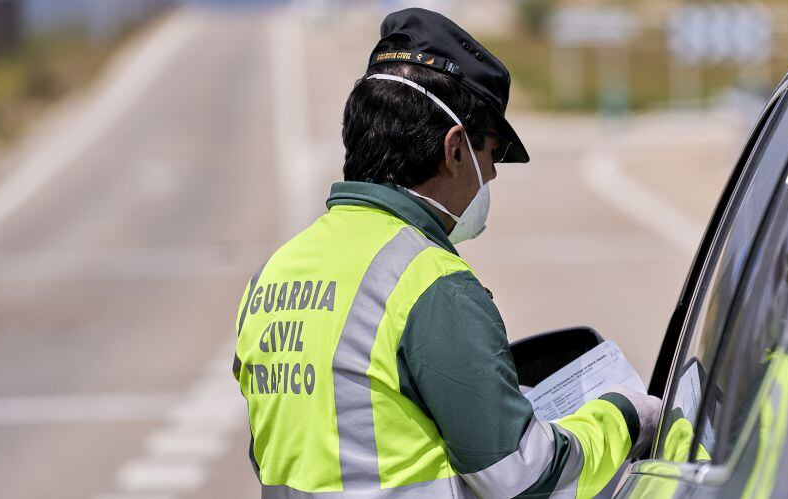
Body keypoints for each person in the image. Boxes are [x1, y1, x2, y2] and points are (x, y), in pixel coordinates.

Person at [232, 8, 662, 498]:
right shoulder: (431, 283)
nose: (493, 175)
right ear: (456, 148)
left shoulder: (272, 276)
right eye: (491, 154)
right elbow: (519, 476)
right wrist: (626, 415)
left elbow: (298, 446)